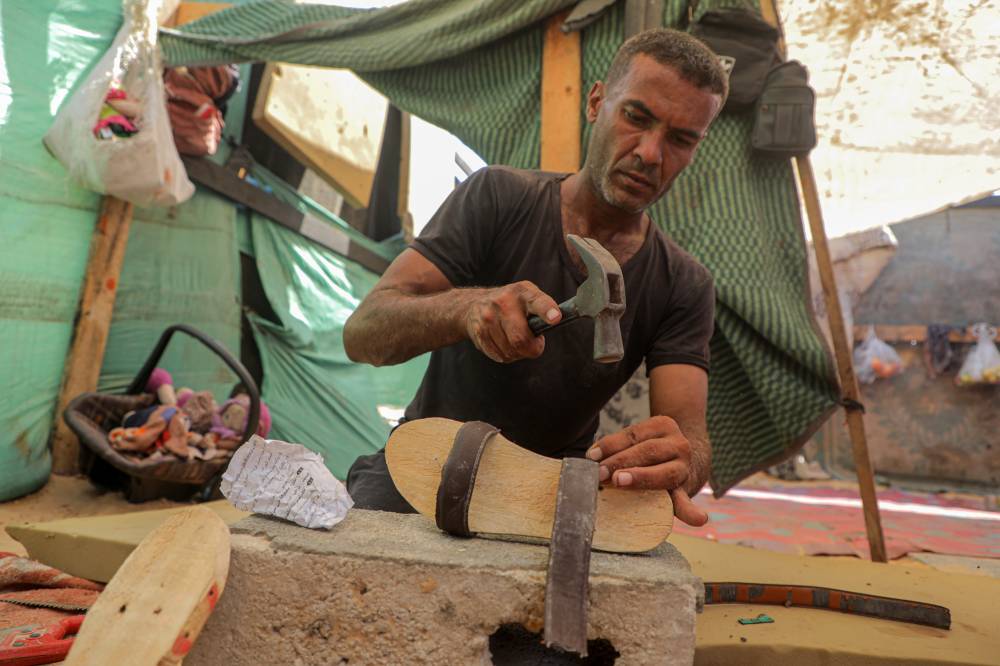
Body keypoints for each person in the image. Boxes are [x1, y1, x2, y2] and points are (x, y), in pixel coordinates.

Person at [343, 28, 727, 527]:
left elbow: (689, 435)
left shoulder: (684, 284)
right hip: (420, 465)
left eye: (680, 139)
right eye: (636, 117)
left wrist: (681, 460)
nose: (651, 154)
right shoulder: (497, 198)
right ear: (595, 104)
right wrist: (465, 310)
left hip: (552, 493)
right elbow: (363, 333)